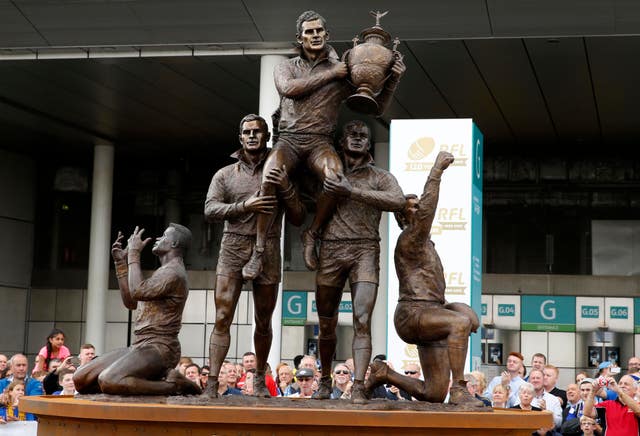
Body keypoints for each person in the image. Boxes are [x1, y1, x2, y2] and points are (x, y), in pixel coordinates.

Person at [244, 9, 406, 281]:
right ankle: (258, 250)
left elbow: (375, 108)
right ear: (300, 38)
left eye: (319, 30)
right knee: (269, 176)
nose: (315, 35)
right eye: (309, 32)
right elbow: (288, 89)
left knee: (336, 177)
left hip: (320, 142)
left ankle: (313, 233)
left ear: (326, 34)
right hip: (289, 140)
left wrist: (392, 80)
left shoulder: (343, 68)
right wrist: (333, 74)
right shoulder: (287, 67)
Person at [364, 152, 481, 406]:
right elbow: (428, 211)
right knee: (460, 323)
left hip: (429, 313)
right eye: (413, 207)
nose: (419, 209)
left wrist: (449, 308)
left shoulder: (425, 244)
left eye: (419, 205)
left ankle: (384, 373)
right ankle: (460, 389)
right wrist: (436, 172)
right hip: (413, 314)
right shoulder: (409, 239)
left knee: (434, 393)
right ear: (403, 216)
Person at [204, 114, 304, 398]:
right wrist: (245, 205)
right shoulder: (225, 174)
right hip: (233, 247)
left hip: (269, 248)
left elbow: (298, 217)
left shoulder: (280, 170)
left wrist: (286, 187)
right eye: (246, 132)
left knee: (264, 319)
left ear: (266, 136)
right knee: (223, 315)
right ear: (240, 137)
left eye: (257, 132)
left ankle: (260, 376)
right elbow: (210, 210)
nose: (251, 136)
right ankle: (212, 380)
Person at [312, 120, 404, 402]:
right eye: (351, 134)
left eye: (363, 136)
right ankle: (326, 381)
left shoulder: (379, 176)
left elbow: (398, 201)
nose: (356, 139)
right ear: (341, 142)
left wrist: (352, 191)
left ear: (369, 143)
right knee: (326, 323)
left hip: (365, 249)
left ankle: (360, 385)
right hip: (331, 249)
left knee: (362, 319)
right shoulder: (328, 171)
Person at [73, 224, 200, 396]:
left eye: (164, 236)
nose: (158, 239)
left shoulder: (174, 272)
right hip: (140, 345)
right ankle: (144, 382)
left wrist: (134, 254)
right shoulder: (163, 272)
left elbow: (137, 290)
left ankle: (174, 386)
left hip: (160, 348)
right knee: (80, 378)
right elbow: (132, 301)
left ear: (175, 243)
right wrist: (120, 263)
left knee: (109, 380)